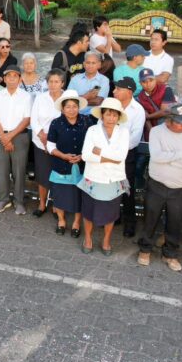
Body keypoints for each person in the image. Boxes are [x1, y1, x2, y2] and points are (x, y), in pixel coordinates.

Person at [138, 104, 182, 269]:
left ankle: (170, 254)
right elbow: (157, 157)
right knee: (150, 219)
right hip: (156, 184)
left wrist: (168, 157)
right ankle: (145, 250)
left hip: (179, 187)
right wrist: (180, 154)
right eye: (179, 122)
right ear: (168, 121)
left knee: (175, 223)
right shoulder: (157, 131)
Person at [80, 97, 130, 254]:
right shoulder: (92, 130)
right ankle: (87, 238)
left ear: (118, 117)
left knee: (111, 213)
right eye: (108, 114)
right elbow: (86, 155)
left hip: (113, 178)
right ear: (102, 115)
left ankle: (106, 240)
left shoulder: (123, 132)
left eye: (115, 115)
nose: (111, 118)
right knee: (88, 211)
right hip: (93, 177)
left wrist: (99, 151)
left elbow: (120, 156)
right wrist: (110, 157)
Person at [46, 90, 91, 237]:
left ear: (79, 107)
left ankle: (77, 222)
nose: (72, 110)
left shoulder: (87, 121)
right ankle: (61, 220)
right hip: (61, 165)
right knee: (59, 195)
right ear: (62, 108)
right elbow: (50, 146)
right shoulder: (56, 123)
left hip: (82, 165)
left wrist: (83, 156)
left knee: (79, 196)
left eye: (74, 106)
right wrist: (63, 156)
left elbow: (93, 143)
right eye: (68, 107)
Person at [0, 66, 33, 215]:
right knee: (3, 169)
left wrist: (10, 136)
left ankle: (19, 201)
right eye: (9, 76)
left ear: (20, 79)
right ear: (5, 79)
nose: (12, 79)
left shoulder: (26, 96)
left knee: (19, 170)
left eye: (15, 76)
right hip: (2, 136)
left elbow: (27, 119)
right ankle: (3, 199)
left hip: (19, 137)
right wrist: (3, 136)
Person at [111, 77, 145, 237]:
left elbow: (135, 138)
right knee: (111, 185)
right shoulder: (110, 105)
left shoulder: (137, 110)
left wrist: (117, 150)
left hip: (127, 155)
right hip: (109, 152)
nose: (114, 91)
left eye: (118, 89)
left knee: (126, 188)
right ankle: (114, 215)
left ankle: (130, 221)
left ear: (129, 91)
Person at [29, 70, 66, 217]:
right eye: (51, 81)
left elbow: (68, 120)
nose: (53, 84)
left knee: (58, 176)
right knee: (42, 175)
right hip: (40, 142)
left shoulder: (67, 99)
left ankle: (57, 206)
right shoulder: (40, 98)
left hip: (59, 144)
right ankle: (42, 204)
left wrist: (51, 141)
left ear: (62, 83)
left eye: (57, 81)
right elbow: (34, 119)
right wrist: (43, 138)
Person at [136, 67, 175, 138]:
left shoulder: (166, 89)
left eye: (151, 80)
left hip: (168, 128)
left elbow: (166, 111)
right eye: (144, 81)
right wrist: (153, 134)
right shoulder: (139, 98)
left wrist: (148, 116)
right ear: (140, 83)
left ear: (155, 79)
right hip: (152, 131)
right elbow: (145, 119)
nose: (148, 84)